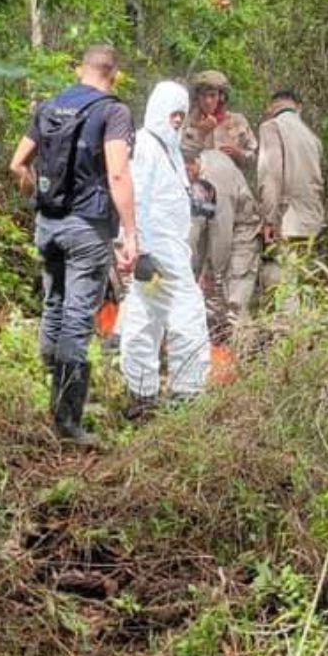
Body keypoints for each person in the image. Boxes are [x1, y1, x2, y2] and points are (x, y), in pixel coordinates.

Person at [9, 45, 137, 447]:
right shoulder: (113, 112)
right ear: (113, 74)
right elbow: (118, 175)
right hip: (87, 227)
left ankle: (50, 391)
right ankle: (67, 421)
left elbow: (17, 163)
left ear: (80, 69)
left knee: (54, 305)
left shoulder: (50, 106)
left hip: (48, 224)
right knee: (78, 317)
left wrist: (37, 194)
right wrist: (131, 233)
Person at [120, 81, 211, 418]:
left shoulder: (167, 148)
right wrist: (138, 250)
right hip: (157, 252)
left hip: (168, 249)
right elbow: (135, 196)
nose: (177, 121)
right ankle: (186, 392)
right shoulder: (145, 145)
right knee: (187, 314)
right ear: (158, 109)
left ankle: (142, 393)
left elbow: (167, 196)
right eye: (173, 114)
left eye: (181, 116)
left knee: (147, 316)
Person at [182, 132, 262, 343]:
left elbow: (222, 233)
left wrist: (211, 272)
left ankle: (244, 351)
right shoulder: (199, 171)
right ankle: (216, 348)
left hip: (242, 232)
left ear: (190, 166)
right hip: (220, 232)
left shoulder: (216, 180)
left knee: (234, 301)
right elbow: (195, 228)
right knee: (210, 300)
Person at [257, 89, 325, 293]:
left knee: (283, 284)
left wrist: (269, 220)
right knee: (305, 283)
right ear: (298, 107)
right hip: (311, 219)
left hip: (286, 218)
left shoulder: (272, 127)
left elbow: (271, 176)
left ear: (271, 107)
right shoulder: (312, 137)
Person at [184, 70, 257, 171]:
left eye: (212, 95)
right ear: (197, 97)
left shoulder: (237, 122)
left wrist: (239, 154)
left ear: (221, 97)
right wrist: (201, 133)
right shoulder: (187, 123)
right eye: (203, 95)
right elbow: (182, 156)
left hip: (230, 179)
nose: (208, 101)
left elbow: (254, 158)